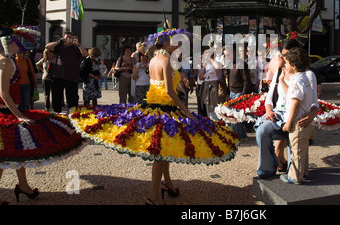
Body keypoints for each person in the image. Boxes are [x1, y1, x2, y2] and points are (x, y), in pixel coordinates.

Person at [67, 28, 239, 205]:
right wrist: (187, 112)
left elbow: (158, 84)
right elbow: (169, 92)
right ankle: (153, 196)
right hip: (165, 109)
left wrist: (179, 83)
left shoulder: (154, 59)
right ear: (165, 43)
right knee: (160, 152)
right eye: (175, 41)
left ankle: (168, 184)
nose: (178, 44)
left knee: (163, 150)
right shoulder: (167, 60)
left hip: (154, 105)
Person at [0, 26, 86, 204]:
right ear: (8, 44)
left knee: (16, 150)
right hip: (6, 113)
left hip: (9, 110)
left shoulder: (5, 61)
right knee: (5, 154)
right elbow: (3, 94)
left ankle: (23, 185)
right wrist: (18, 115)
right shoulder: (5, 62)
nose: (20, 47)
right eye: (17, 43)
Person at [255, 39, 318, 178]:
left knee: (295, 142)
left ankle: (294, 172)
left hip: (296, 116)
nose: (284, 59)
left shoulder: (307, 75)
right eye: (283, 56)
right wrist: (269, 110)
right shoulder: (280, 71)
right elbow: (270, 97)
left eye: (287, 56)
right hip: (278, 113)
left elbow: (313, 101)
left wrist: (312, 114)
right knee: (261, 131)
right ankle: (267, 168)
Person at [279, 47, 315, 184]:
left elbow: (295, 102)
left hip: (297, 122)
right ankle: (303, 173)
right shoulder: (303, 78)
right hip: (303, 120)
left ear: (293, 66)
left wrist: (288, 122)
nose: (284, 65)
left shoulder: (297, 81)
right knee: (302, 149)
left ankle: (295, 177)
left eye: (286, 63)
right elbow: (292, 94)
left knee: (296, 150)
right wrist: (282, 80)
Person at [45, 32, 88, 112]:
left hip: (71, 77)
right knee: (56, 96)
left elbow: (85, 54)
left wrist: (78, 44)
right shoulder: (59, 46)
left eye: (70, 37)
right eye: (67, 37)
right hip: (58, 76)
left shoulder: (75, 48)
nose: (68, 39)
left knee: (72, 98)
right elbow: (47, 46)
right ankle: (57, 113)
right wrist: (60, 41)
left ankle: (72, 114)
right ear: (63, 38)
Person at [226, 44, 252, 140]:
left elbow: (246, 80)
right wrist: (227, 93)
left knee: (236, 118)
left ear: (233, 53)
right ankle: (240, 136)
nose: (226, 57)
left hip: (239, 92)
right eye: (225, 55)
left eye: (228, 55)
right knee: (234, 117)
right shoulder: (230, 64)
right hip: (232, 93)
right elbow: (228, 80)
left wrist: (243, 95)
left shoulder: (241, 64)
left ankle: (238, 137)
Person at [199, 47, 222, 121]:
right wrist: (203, 68)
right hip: (206, 86)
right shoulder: (206, 65)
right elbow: (200, 77)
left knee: (214, 105)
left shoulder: (216, 62)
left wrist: (211, 59)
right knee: (208, 106)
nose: (205, 56)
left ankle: (216, 122)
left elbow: (217, 67)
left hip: (214, 86)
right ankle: (211, 120)